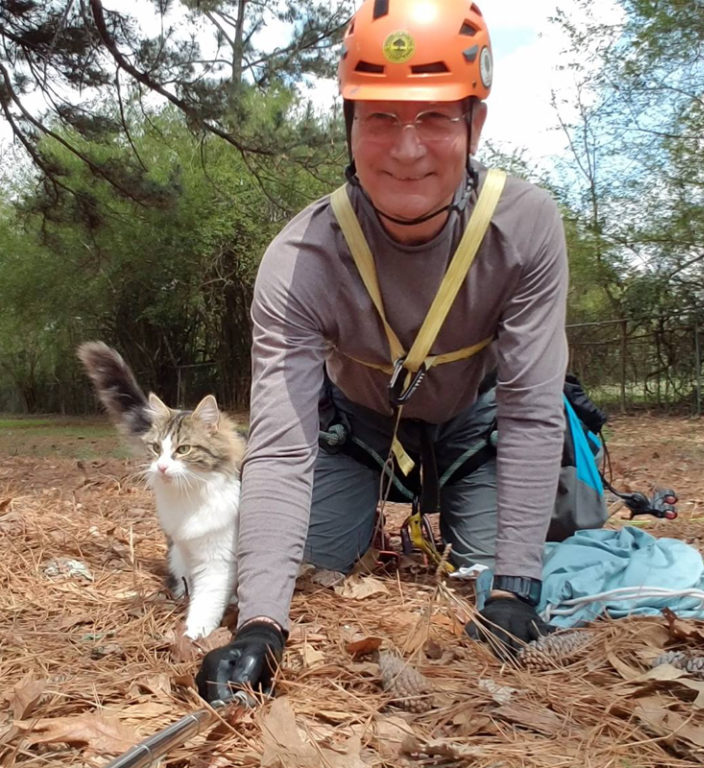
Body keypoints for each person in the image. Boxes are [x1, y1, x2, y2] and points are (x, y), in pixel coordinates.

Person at [196, 0, 568, 703]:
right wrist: (260, 623)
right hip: (357, 424)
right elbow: (279, 445)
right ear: (349, 126)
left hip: (474, 423)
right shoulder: (298, 258)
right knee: (308, 562)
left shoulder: (525, 228)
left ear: (475, 124)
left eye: (433, 117)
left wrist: (518, 584)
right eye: (381, 118)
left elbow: (529, 409)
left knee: (487, 569)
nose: (406, 149)